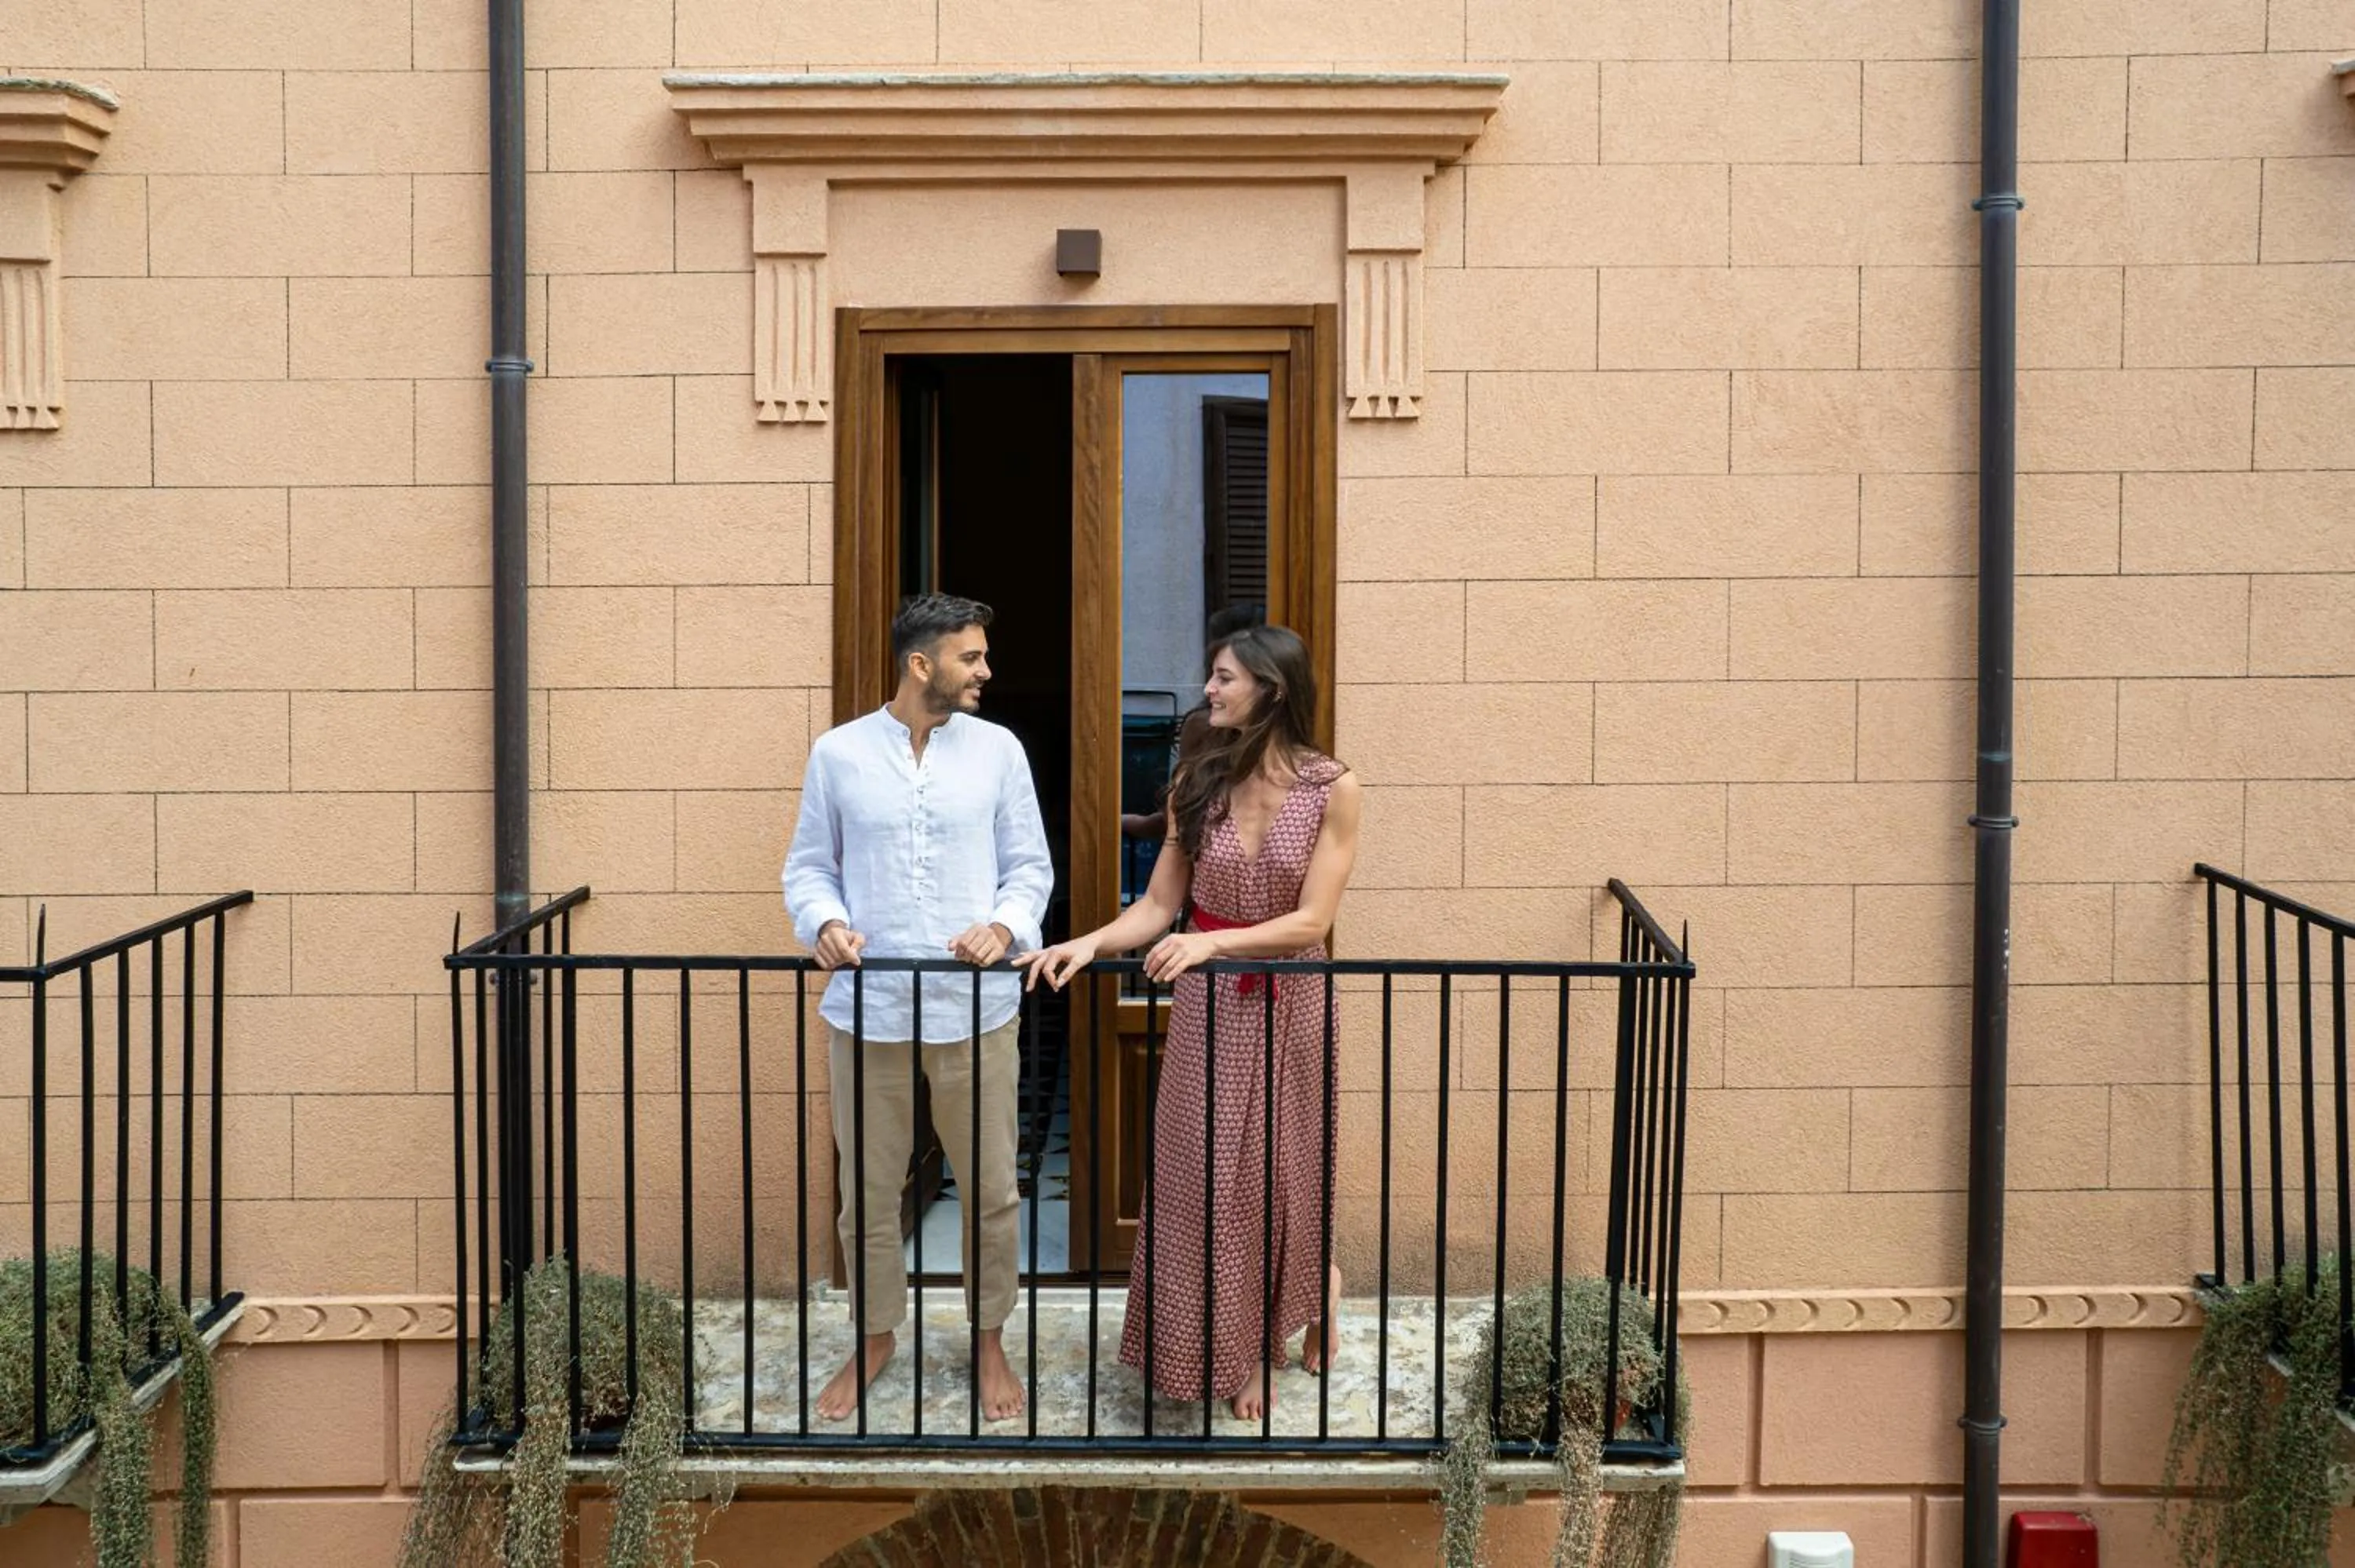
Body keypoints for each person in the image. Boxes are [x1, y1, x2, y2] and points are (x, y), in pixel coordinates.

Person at [1020, 623, 1360, 1420]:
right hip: (1212, 1008)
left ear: (1272, 689)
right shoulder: (1197, 782)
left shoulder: (1333, 788)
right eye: (1212, 675)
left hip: (1291, 1000)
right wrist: (1087, 942)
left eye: (1224, 677)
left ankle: (1278, 1332)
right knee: (1204, 1178)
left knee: (1282, 1171)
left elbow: (1313, 921)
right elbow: (1158, 905)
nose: (1209, 690)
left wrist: (1211, 945)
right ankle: (1238, 1331)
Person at [783, 593, 1053, 1424]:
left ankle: (989, 1339)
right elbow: (809, 867)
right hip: (869, 1011)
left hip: (976, 1010)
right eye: (972, 657)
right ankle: (874, 1338)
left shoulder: (999, 751)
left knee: (991, 1190)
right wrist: (825, 924)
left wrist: (1002, 927)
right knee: (867, 1193)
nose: (986, 671)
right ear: (920, 664)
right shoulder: (838, 754)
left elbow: (1029, 868)